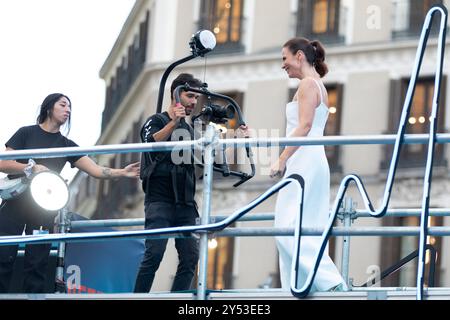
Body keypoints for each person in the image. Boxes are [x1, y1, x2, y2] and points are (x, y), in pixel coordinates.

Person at [0, 93, 140, 293]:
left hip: (43, 206)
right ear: (49, 108)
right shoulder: (26, 133)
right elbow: (3, 163)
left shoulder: (67, 145)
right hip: (16, 201)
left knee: (37, 261)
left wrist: (123, 172)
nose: (68, 110)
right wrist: (32, 167)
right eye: (63, 105)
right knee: (3, 253)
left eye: (70, 107)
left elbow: (96, 170)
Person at [270, 38, 347, 292]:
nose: (283, 65)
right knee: (306, 227)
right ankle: (306, 286)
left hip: (303, 160)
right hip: (312, 160)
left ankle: (329, 283)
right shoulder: (318, 85)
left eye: (285, 58)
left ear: (299, 56)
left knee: (285, 228)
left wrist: (281, 159)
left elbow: (303, 126)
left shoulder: (307, 84)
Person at [133, 73, 203, 293]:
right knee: (154, 255)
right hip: (160, 200)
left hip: (185, 202)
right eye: (189, 96)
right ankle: (137, 300)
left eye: (196, 97)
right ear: (176, 95)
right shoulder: (156, 120)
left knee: (191, 258)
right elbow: (150, 144)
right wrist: (173, 122)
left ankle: (178, 299)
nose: (193, 101)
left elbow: (205, 159)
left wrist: (241, 138)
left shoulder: (191, 130)